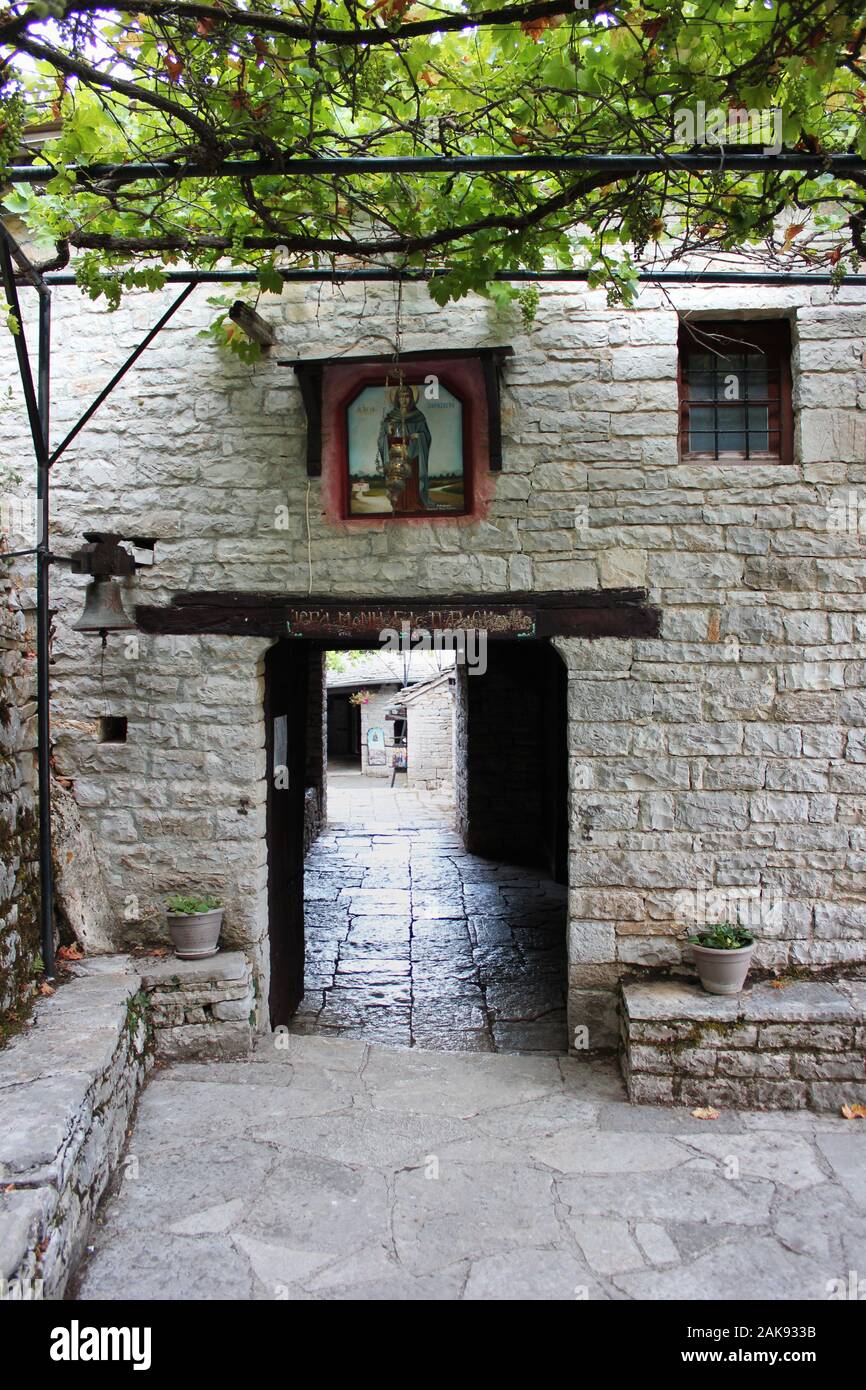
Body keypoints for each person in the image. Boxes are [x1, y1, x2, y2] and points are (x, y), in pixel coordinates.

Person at [376, 382, 435, 510]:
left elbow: (426, 437)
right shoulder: (390, 417)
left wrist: (418, 437)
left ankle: (415, 503)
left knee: (412, 481)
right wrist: (389, 433)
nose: (404, 399)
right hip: (396, 456)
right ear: (397, 398)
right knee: (398, 480)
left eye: (407, 396)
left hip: (413, 456)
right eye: (401, 396)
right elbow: (382, 439)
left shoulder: (418, 417)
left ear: (412, 398)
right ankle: (398, 504)